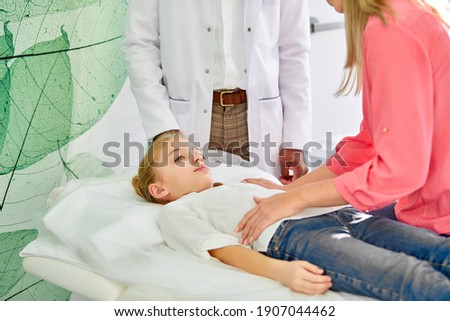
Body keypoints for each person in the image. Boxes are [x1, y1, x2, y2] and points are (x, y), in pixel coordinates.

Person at [132, 132, 450, 300]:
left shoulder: (236, 182)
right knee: (406, 275)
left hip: (341, 212)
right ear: (159, 190)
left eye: (194, 152)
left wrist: (281, 190)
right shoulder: (177, 211)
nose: (196, 156)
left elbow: (293, 194)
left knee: (435, 249)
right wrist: (279, 271)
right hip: (297, 236)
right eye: (179, 158)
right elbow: (219, 247)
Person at [236, 0, 450, 243]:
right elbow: (367, 143)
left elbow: (399, 171)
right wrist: (288, 191)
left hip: (439, 222)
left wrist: (298, 198)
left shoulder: (391, 29)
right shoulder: (401, 13)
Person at [122, 0, 312, 182]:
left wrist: (294, 140)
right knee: (190, 207)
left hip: (258, 117)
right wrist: (163, 126)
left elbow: (294, 51)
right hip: (185, 121)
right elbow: (140, 44)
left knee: (262, 206)